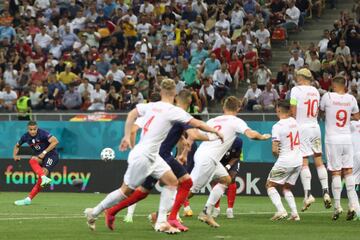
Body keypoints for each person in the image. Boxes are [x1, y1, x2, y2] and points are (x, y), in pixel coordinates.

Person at [84, 78, 223, 233]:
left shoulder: (150, 106)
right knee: (125, 191)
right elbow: (197, 124)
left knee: (171, 181)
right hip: (144, 156)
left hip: (153, 155)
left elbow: (131, 114)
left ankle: (162, 222)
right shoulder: (174, 111)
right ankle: (94, 212)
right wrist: (215, 132)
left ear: (161, 91)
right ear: (174, 93)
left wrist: (125, 136)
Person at [189, 96, 271, 227]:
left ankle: (206, 212)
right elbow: (250, 134)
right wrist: (262, 137)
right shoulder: (235, 121)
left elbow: (195, 135)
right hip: (208, 159)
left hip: (204, 155)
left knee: (226, 180)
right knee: (190, 191)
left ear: (223, 107)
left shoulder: (213, 120)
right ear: (238, 108)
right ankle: (160, 214)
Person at [290, 68, 331, 211]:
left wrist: (292, 124)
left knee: (304, 161)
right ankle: (326, 191)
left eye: (297, 76)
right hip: (315, 128)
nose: (296, 79)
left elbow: (293, 109)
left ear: (301, 77)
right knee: (319, 160)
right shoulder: (315, 91)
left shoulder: (295, 90)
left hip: (302, 128)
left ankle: (308, 194)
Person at [320, 75, 360, 221]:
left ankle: (337, 207)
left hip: (332, 139)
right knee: (349, 172)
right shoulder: (351, 99)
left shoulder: (328, 97)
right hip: (347, 138)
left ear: (334, 85)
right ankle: (353, 206)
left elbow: (321, 112)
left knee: (336, 173)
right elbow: (357, 116)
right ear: (345, 85)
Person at [267, 100, 302, 221]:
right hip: (298, 160)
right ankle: (295, 214)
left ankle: (281, 211)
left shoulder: (277, 126)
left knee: (269, 185)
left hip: (285, 161)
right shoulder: (295, 122)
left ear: (278, 110)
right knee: (286, 187)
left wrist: (276, 155)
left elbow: (274, 149)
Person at [12, 121, 59, 206]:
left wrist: (44, 152)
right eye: (31, 129)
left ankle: (28, 199)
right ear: (28, 129)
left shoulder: (43, 133)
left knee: (43, 174)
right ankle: (43, 179)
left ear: (37, 128)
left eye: (34, 129)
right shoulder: (25, 137)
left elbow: (55, 141)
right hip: (41, 156)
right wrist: (15, 155)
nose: (33, 131)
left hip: (51, 155)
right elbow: (17, 146)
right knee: (32, 160)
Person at [212, 137, 243, 219]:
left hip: (232, 161)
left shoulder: (238, 141)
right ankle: (216, 208)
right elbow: (215, 155)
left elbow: (236, 157)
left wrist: (228, 166)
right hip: (219, 160)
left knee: (232, 179)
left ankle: (230, 209)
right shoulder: (219, 140)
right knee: (216, 180)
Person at [351, 119, 360, 196]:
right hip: (356, 154)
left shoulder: (352, 123)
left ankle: (353, 200)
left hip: (356, 154)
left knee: (352, 177)